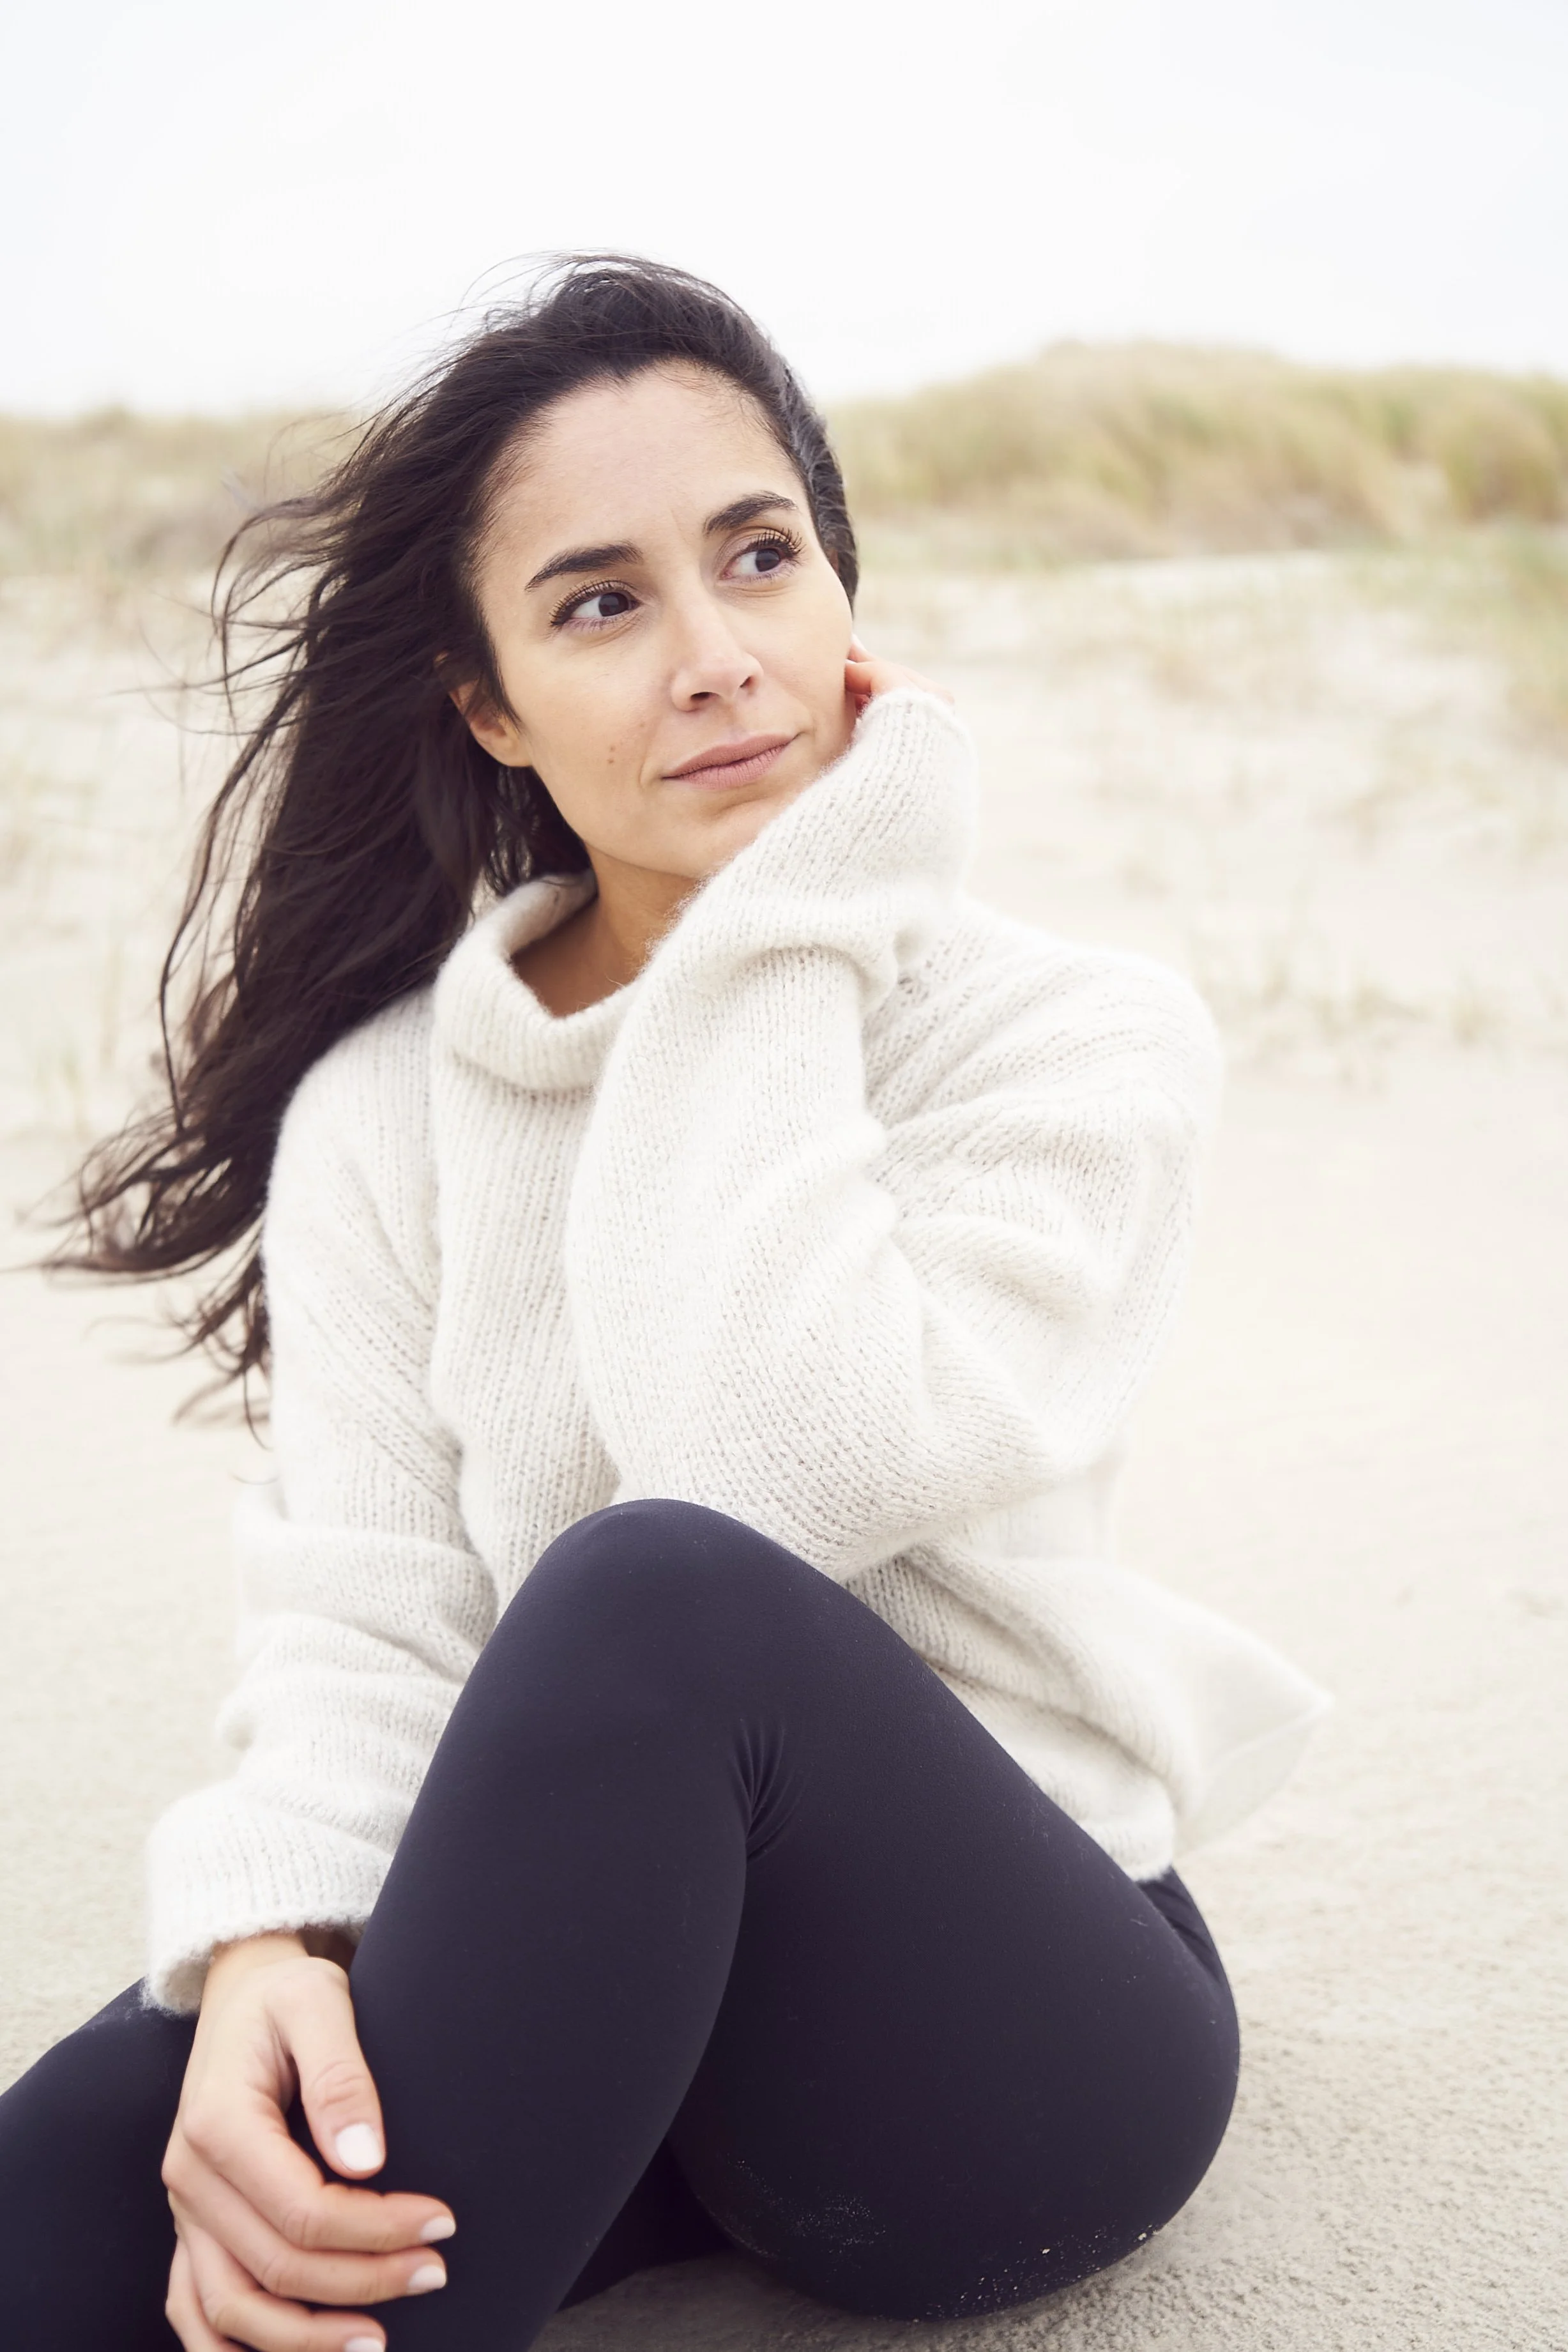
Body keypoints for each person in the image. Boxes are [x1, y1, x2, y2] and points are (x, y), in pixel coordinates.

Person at [0, 257, 1329, 2352]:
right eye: (602, 604)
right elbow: (370, 1609)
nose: (716, 659)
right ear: (489, 705)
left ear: (843, 597)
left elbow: (766, 1467)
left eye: (757, 558)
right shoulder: (384, 1112)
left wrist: (777, 922)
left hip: (1011, 2052)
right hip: (616, 1993)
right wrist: (271, 1936)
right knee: (81, 2187)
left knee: (650, 1594)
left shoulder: (1075, 1039)